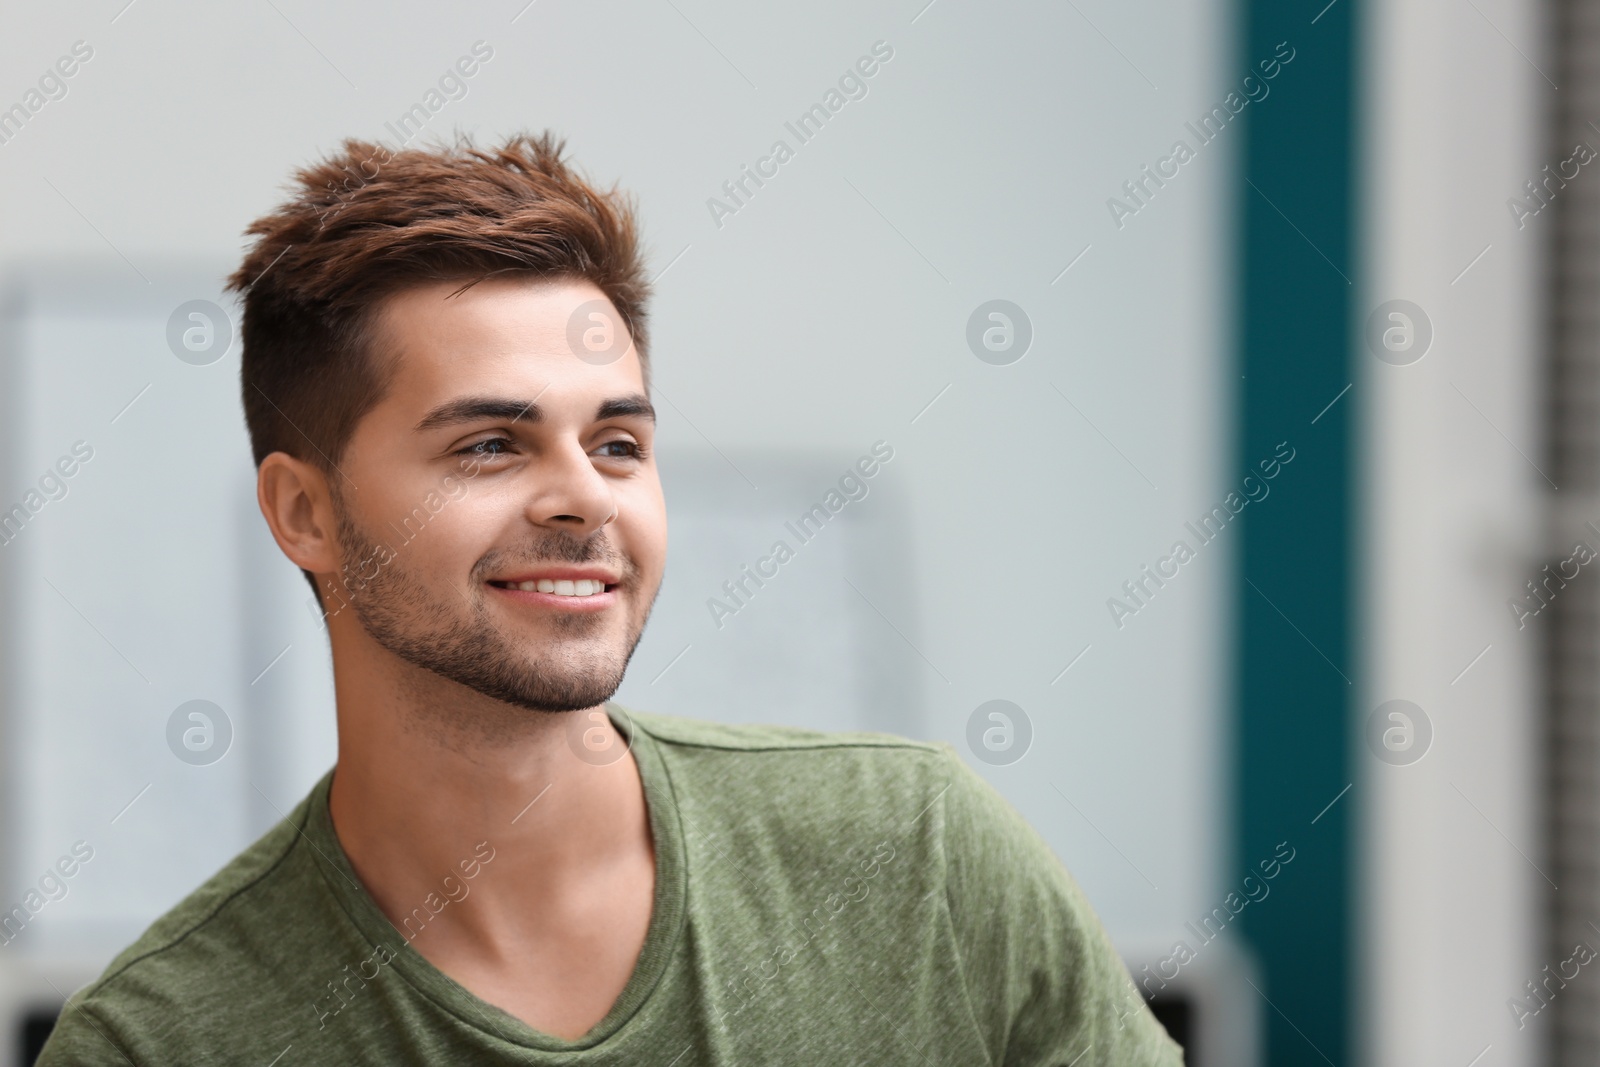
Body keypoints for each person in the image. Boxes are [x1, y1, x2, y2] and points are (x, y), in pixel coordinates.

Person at [38, 133, 1184, 1065]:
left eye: (620, 441)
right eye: (491, 444)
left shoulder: (919, 860)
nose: (584, 497)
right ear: (305, 514)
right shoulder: (162, 1038)